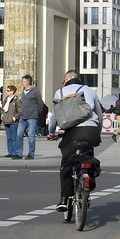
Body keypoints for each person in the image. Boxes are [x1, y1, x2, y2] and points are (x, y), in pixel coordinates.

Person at [49, 68, 103, 212]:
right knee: (87, 151)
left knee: (66, 162)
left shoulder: (59, 92)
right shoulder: (89, 90)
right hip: (90, 129)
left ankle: (64, 198)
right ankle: (90, 176)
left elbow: (54, 115)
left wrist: (51, 132)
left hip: (72, 130)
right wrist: (97, 132)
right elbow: (99, 113)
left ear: (66, 80)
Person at [17, 75, 44, 160]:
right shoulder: (23, 91)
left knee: (31, 136)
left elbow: (40, 103)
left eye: (23, 81)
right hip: (23, 116)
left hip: (32, 117)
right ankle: (19, 153)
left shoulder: (35, 91)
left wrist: (36, 113)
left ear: (27, 82)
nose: (21, 83)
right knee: (19, 134)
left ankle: (31, 154)